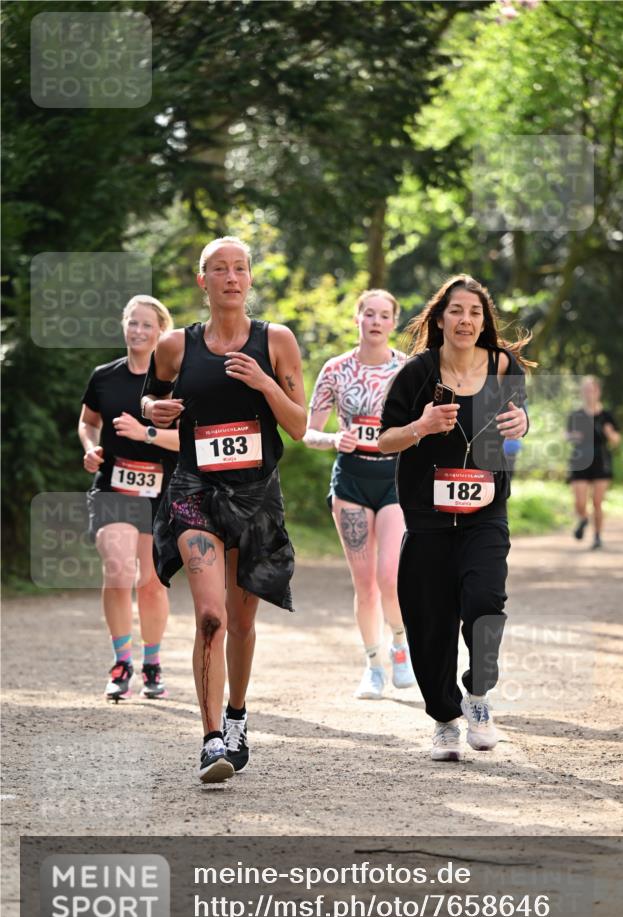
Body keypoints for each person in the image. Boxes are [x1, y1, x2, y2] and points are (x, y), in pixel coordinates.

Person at [142, 236, 306, 783]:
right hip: (193, 491)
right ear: (203, 281)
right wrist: (155, 409)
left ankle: (237, 715)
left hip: (256, 494)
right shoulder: (174, 345)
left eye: (240, 268)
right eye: (220, 269)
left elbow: (301, 426)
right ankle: (211, 738)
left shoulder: (275, 340)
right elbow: (151, 398)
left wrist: (263, 382)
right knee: (210, 616)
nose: (231, 278)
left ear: (250, 279)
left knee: (240, 621)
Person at [378, 274, 533, 762]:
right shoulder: (417, 374)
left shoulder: (504, 366)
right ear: (440, 319)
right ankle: (445, 719)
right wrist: (420, 427)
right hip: (427, 517)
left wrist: (522, 424)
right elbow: (384, 441)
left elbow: (517, 422)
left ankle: (479, 696)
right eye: (456, 311)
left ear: (484, 321)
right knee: (430, 623)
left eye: (475, 312)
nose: (466, 320)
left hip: (486, 512)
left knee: (486, 602)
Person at [304, 289, 416, 698]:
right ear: (357, 319)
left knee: (390, 575)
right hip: (350, 482)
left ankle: (400, 647)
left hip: (394, 481)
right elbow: (308, 431)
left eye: (384, 315)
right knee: (365, 581)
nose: (376, 321)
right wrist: (334, 438)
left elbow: (423, 423)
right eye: (369, 313)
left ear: (393, 323)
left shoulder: (407, 369)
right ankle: (373, 665)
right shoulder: (335, 370)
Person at [79, 295, 179, 701]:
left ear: (160, 332)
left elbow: (186, 440)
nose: (138, 331)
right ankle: (121, 662)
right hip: (113, 489)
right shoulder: (105, 376)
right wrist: (89, 447)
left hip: (160, 492)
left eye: (147, 325)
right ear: (124, 326)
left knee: (151, 583)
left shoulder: (174, 381)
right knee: (118, 571)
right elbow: (88, 421)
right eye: (132, 323)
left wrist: (145, 434)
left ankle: (152, 663)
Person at [566, 376, 621, 550]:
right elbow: (566, 435)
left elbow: (616, 440)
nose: (589, 393)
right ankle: (583, 518)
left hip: (601, 461)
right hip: (580, 460)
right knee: (580, 502)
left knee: (597, 502)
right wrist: (573, 436)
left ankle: (597, 536)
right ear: (582, 393)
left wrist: (610, 433)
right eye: (586, 390)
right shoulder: (576, 414)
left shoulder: (607, 415)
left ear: (598, 392)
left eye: (592, 390)